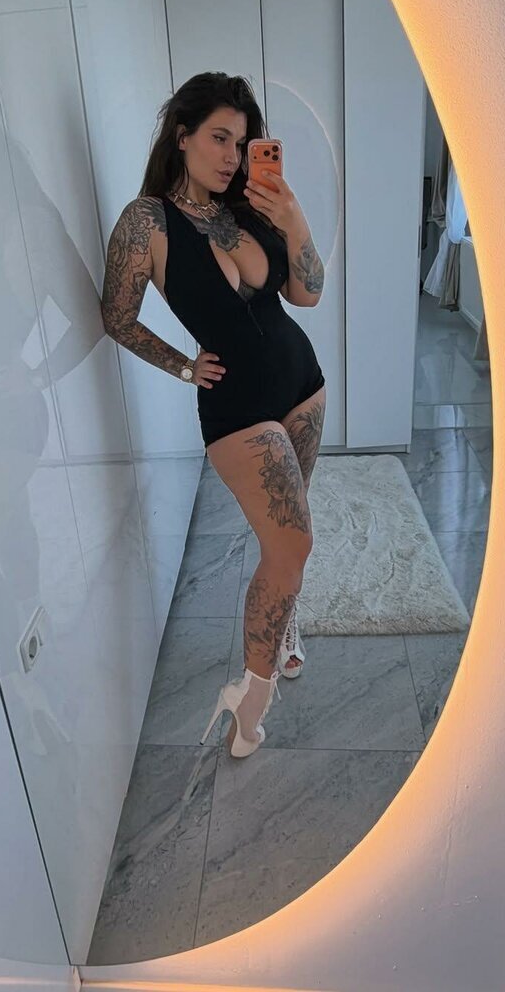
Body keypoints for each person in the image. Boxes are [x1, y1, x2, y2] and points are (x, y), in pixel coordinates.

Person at [101, 72, 326, 758]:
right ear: (183, 136)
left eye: (242, 142)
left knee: (284, 542)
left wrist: (293, 217)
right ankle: (250, 702)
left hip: (301, 382)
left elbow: (308, 293)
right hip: (235, 404)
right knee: (293, 544)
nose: (232, 156)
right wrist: (181, 366)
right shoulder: (147, 221)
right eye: (219, 138)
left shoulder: (249, 205)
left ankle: (283, 624)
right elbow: (116, 316)